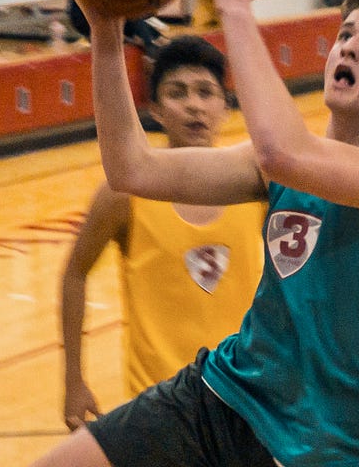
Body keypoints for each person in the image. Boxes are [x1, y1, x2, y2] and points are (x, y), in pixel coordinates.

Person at [31, 0, 359, 464]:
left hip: (314, 449)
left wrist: (234, 6)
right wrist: (106, 31)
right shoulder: (278, 169)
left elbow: (281, 150)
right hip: (224, 394)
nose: (348, 46)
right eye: (345, 34)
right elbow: (131, 169)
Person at [57, 35, 263, 432]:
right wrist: (73, 378)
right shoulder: (125, 195)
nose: (194, 105)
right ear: (155, 109)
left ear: (225, 106)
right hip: (156, 406)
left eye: (206, 92)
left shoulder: (258, 189)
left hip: (242, 398)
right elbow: (75, 273)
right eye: (177, 93)